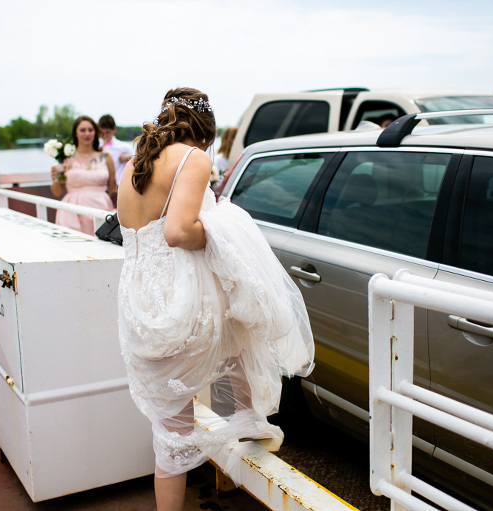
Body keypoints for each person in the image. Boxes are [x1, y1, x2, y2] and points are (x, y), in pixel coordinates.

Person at [117, 88, 315, 511]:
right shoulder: (194, 158)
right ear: (205, 132)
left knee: (170, 437)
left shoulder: (136, 162)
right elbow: (177, 233)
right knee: (237, 318)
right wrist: (224, 230)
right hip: (178, 296)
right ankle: (250, 418)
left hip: (138, 301)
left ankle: (246, 423)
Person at [50, 116, 117, 235]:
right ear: (75, 133)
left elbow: (112, 188)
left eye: (90, 130)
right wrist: (55, 178)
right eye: (82, 130)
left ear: (95, 132)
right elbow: (57, 191)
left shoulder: (105, 156)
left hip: (101, 208)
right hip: (72, 212)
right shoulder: (66, 158)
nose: (87, 133)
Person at [98, 114, 134, 202]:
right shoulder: (95, 146)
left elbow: (137, 159)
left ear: (114, 129)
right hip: (99, 187)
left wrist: (127, 157)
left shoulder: (123, 147)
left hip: (118, 188)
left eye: (107, 133)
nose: (105, 136)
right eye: (102, 133)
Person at [211, 126, 238, 195]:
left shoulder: (235, 158)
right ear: (231, 140)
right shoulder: (218, 160)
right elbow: (213, 187)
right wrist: (224, 177)